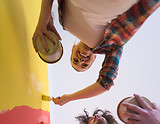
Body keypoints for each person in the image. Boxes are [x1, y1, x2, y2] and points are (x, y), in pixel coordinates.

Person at [32, 0, 160, 106]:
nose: (81, 60)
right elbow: (105, 83)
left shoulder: (64, 21)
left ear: (73, 47)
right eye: (84, 65)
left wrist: (43, 18)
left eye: (75, 60)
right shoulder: (112, 46)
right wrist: (69, 98)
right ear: (94, 59)